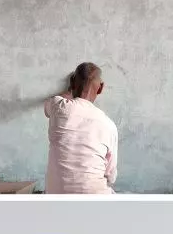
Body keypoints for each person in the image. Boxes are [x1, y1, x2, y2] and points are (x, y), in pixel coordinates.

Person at [44, 62, 118, 194]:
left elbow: (47, 109)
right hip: (95, 201)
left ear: (72, 84)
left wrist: (71, 89)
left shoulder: (57, 106)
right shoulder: (109, 125)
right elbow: (110, 176)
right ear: (100, 88)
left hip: (55, 198)